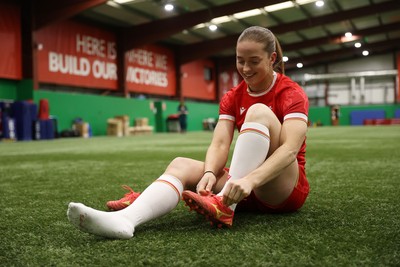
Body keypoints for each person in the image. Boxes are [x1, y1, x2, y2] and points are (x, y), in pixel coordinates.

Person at [67, 26, 310, 239]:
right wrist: (208, 172)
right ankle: (127, 219)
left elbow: (290, 150)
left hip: (281, 190)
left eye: (254, 61)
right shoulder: (232, 96)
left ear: (272, 58)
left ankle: (224, 205)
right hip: (241, 190)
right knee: (180, 164)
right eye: (239, 60)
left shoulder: (290, 92)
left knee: (258, 111)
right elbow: (220, 143)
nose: (245, 68)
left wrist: (249, 180)